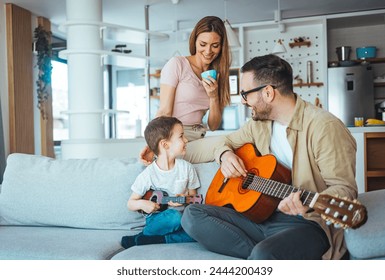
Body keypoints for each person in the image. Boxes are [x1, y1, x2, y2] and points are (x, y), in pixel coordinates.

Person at [181, 54, 358, 260]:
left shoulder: (324, 127)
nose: (244, 101)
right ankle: (262, 260)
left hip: (308, 223)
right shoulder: (260, 125)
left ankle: (262, 258)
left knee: (264, 254)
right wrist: (225, 155)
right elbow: (223, 142)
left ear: (267, 92)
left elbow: (345, 190)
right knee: (192, 215)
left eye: (246, 94)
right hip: (262, 216)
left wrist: (309, 202)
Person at [140, 15, 231, 165]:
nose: (208, 51)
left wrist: (214, 96)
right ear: (194, 41)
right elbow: (164, 111)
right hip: (176, 138)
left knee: (228, 146)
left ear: (222, 47)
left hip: (198, 137)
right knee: (226, 142)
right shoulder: (178, 65)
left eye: (215, 45)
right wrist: (153, 145)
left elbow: (214, 126)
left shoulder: (218, 75)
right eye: (203, 44)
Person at [121, 116, 200, 248]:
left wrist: (185, 199)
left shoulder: (186, 168)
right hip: (158, 220)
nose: (186, 140)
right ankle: (150, 233)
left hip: (183, 219)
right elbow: (130, 203)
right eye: (181, 136)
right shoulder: (148, 175)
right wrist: (143, 204)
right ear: (165, 144)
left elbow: (196, 199)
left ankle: (151, 239)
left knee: (201, 232)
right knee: (174, 216)